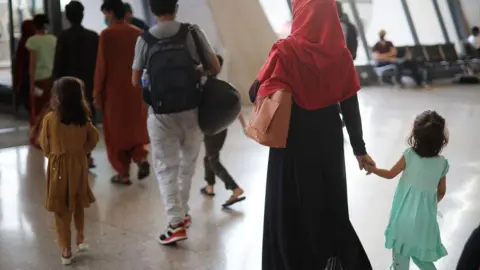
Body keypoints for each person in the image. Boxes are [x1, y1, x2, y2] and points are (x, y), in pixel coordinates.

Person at [249, 0, 375, 268]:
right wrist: (360, 150)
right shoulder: (340, 54)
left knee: (289, 206)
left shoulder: (285, 50)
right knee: (329, 202)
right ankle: (331, 259)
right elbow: (350, 107)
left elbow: (253, 92)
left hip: (291, 142)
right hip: (328, 138)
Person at [131, 0, 220, 245]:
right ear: (176, 6)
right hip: (192, 109)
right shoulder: (192, 31)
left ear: (151, 9)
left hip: (160, 115)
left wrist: (153, 79)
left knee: (165, 168)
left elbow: (135, 80)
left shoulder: (145, 39)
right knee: (187, 166)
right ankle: (183, 214)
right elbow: (214, 66)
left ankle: (175, 223)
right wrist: (195, 72)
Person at [365, 110, 449, 270]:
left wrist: (373, 169)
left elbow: (390, 174)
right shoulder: (442, 164)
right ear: (441, 140)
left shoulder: (409, 155)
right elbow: (442, 191)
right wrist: (430, 204)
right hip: (425, 221)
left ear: (415, 136)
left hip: (403, 219)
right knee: (422, 259)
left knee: (400, 261)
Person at [39, 77, 99, 265]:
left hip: (59, 167)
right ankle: (80, 237)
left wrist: (53, 155)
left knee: (61, 209)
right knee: (78, 201)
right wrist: (82, 151)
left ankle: (66, 249)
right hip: (78, 164)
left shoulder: (50, 119)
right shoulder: (83, 118)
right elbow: (94, 137)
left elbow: (44, 144)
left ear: (58, 97)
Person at [96, 0, 150, 185]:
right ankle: (141, 159)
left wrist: (97, 92)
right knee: (135, 128)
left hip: (114, 92)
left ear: (111, 13)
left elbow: (102, 67)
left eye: (106, 14)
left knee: (115, 132)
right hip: (136, 90)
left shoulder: (107, 35)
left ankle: (123, 173)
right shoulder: (139, 34)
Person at [53, 0, 99, 168]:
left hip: (68, 86)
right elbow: (98, 63)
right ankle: (87, 155)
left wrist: (55, 86)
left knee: (70, 120)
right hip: (88, 83)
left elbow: (58, 64)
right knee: (88, 119)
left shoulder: (63, 37)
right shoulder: (93, 36)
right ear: (82, 15)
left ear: (68, 17)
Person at [200, 55, 246, 208]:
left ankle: (235, 188)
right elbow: (236, 107)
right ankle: (210, 187)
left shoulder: (204, 87)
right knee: (209, 158)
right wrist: (244, 125)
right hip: (222, 128)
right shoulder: (223, 87)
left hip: (211, 130)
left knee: (212, 159)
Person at [26, 14, 57, 148]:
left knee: (38, 110)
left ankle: (38, 138)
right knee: (50, 109)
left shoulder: (33, 41)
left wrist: (31, 83)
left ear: (34, 26)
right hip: (51, 79)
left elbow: (32, 64)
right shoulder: (53, 39)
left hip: (39, 79)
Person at [13, 20, 35, 112]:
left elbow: (19, 63)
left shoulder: (22, 43)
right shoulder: (35, 42)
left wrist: (17, 81)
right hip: (38, 77)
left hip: (26, 78)